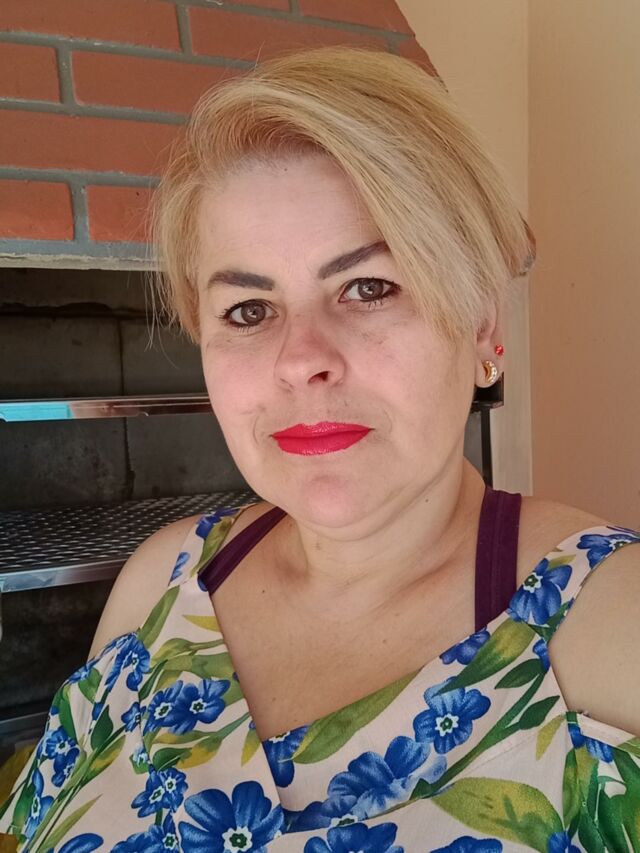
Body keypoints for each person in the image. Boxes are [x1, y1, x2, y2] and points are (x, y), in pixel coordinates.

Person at [1, 45, 639, 853]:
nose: (301, 358)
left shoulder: (610, 628)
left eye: (368, 287)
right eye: (248, 309)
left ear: (483, 325)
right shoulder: (160, 583)